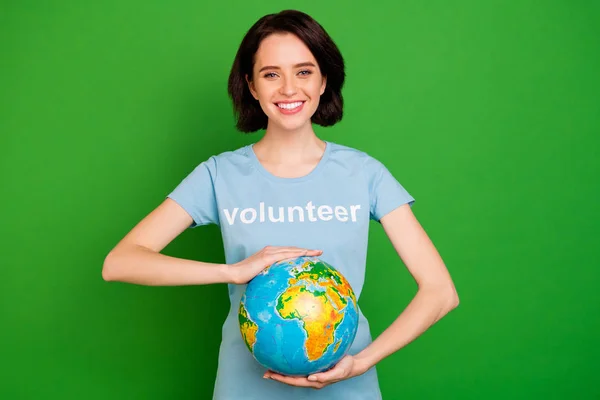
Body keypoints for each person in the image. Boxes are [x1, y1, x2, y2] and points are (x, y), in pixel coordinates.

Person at [102, 9, 459, 400]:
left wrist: (362, 362)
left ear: (324, 80)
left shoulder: (365, 173)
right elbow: (120, 262)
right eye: (271, 74)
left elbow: (440, 292)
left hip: (347, 388)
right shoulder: (219, 175)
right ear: (251, 86)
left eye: (304, 72)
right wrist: (232, 271)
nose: (289, 88)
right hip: (245, 389)